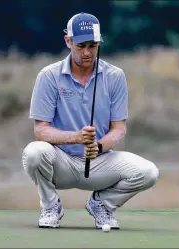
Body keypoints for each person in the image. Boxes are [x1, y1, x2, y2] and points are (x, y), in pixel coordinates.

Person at [22, 12, 159, 229]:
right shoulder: (48, 75)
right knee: (34, 152)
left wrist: (99, 146)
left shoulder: (115, 76)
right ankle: (50, 206)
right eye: (81, 45)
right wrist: (76, 137)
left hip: (99, 161)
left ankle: (101, 204)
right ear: (68, 41)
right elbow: (41, 131)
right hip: (61, 162)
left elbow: (119, 128)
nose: (87, 52)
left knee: (148, 172)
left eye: (93, 46)